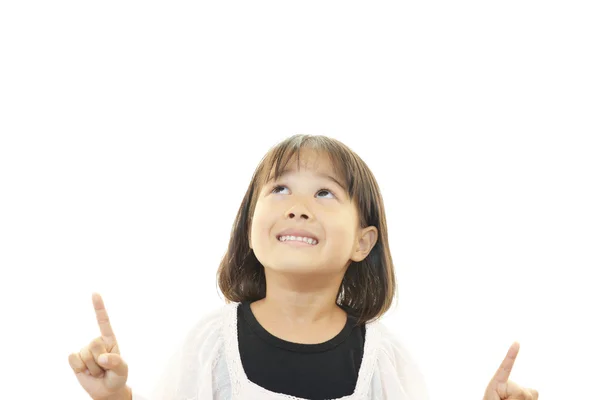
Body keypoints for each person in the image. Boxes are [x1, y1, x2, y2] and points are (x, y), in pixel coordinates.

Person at [68, 134, 539, 400]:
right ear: (250, 225)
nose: (297, 206)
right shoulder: (212, 347)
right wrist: (114, 398)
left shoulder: (381, 359)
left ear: (362, 241)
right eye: (279, 190)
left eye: (324, 193)